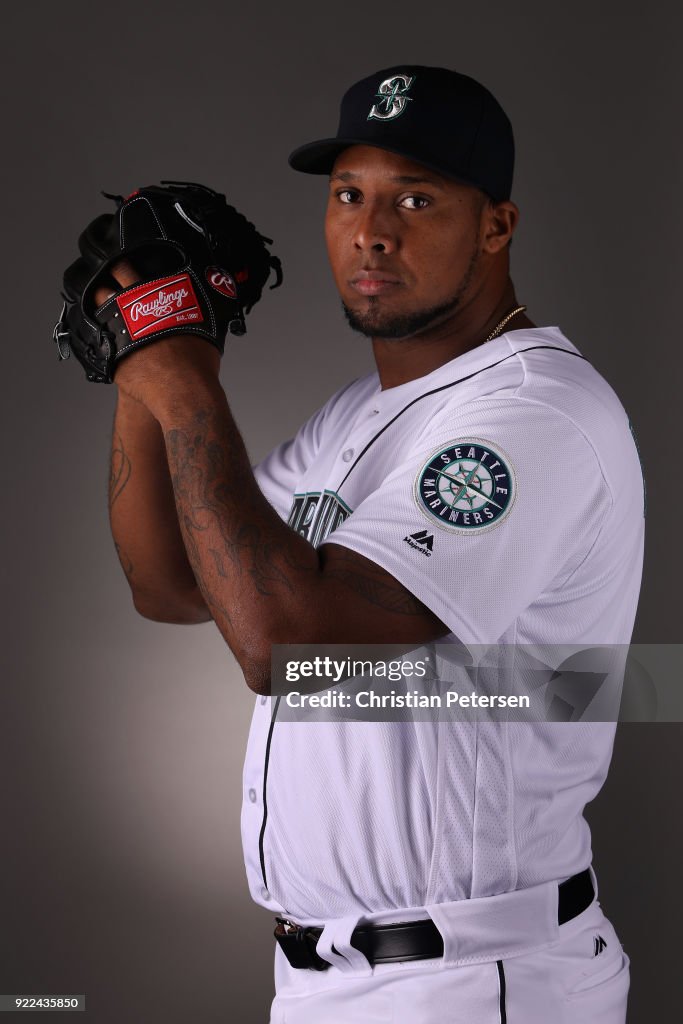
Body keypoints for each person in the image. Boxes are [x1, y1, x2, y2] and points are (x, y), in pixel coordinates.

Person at [104, 66, 644, 1023]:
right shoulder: (357, 416)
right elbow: (173, 582)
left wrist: (183, 379)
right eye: (348, 194)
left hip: (474, 979)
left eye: (416, 198)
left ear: (495, 226)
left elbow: (291, 649)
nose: (371, 229)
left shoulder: (534, 412)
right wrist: (143, 359)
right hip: (329, 981)